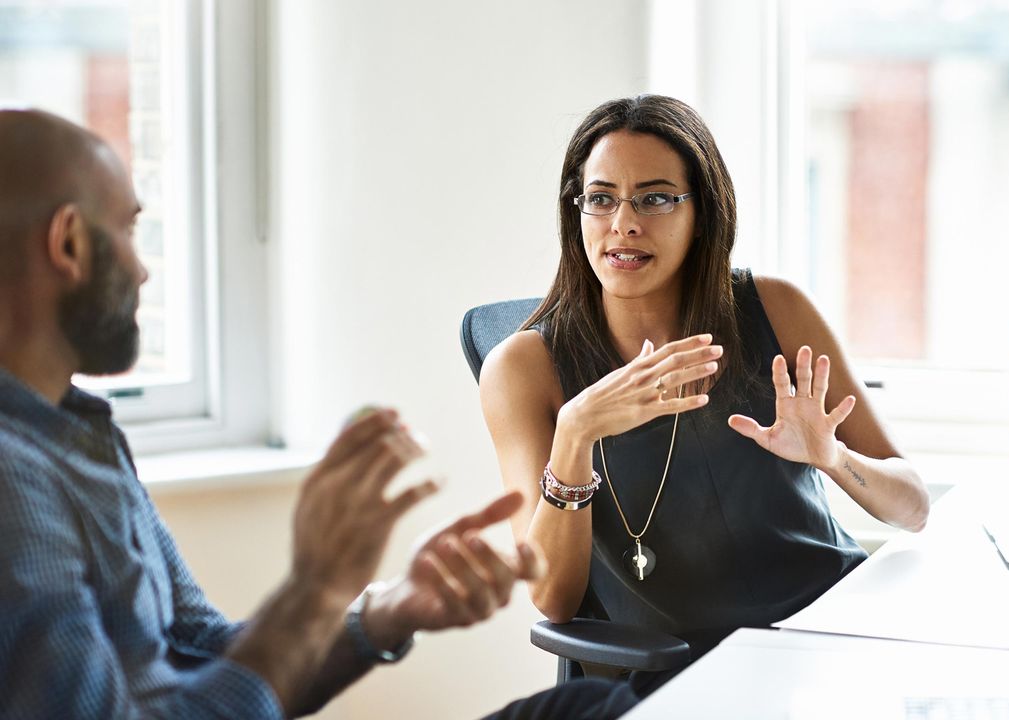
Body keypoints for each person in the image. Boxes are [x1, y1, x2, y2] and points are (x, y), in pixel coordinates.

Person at [0, 109, 636, 719]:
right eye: (129, 230)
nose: (141, 271)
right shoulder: (13, 479)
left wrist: (389, 610)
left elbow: (210, 657)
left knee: (597, 707)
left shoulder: (82, 432)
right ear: (69, 243)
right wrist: (316, 585)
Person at [478, 94, 931, 694]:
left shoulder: (777, 308)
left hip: (831, 641)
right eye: (601, 198)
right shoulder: (523, 368)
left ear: (704, 212)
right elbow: (553, 600)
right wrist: (576, 433)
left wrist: (835, 460)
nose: (624, 223)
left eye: (657, 197)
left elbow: (914, 508)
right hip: (684, 678)